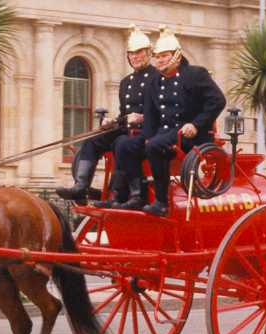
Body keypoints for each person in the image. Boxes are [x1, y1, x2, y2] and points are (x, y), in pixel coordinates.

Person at [56, 24, 159, 207]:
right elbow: (125, 113)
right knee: (92, 139)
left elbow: (163, 111)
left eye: (139, 52)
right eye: (131, 53)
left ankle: (122, 195)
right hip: (127, 129)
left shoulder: (158, 78)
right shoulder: (126, 82)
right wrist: (113, 121)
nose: (134, 56)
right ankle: (81, 187)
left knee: (121, 143)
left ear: (149, 54)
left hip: (148, 132)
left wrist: (142, 117)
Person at [138, 25, 226, 217]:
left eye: (164, 56)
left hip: (191, 136)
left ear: (177, 57)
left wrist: (196, 124)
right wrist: (147, 138)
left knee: (154, 146)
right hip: (164, 135)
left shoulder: (195, 74)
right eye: (157, 57)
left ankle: (161, 203)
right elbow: (150, 113)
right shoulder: (154, 81)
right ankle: (128, 198)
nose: (160, 60)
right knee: (124, 144)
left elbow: (218, 100)